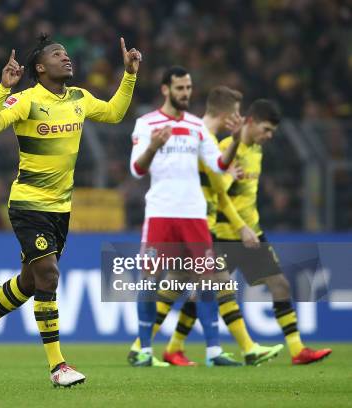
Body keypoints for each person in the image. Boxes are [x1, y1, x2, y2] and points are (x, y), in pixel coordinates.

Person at [0, 33, 142, 387]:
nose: (66, 58)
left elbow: (116, 113)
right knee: (50, 277)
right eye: (58, 54)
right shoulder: (26, 100)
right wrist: (2, 88)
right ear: (40, 68)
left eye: (67, 54)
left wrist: (129, 74)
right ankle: (58, 367)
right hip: (28, 203)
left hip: (61, 208)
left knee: (30, 281)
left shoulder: (79, 98)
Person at [127, 66, 242, 367]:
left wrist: (237, 140)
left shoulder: (196, 126)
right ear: (166, 89)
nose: (186, 93)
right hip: (161, 213)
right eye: (180, 88)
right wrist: (153, 146)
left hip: (193, 214)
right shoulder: (146, 124)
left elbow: (218, 164)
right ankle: (144, 351)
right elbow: (136, 170)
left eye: (189, 88)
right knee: (150, 281)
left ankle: (214, 352)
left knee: (206, 283)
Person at [161, 86, 283, 366]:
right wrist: (227, 176)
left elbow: (216, 189)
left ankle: (158, 347)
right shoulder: (202, 138)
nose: (239, 117)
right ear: (228, 113)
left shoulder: (209, 139)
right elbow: (214, 188)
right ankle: (245, 349)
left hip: (203, 224)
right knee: (214, 286)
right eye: (237, 112)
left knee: (186, 287)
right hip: (194, 223)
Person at [212, 99, 332, 365]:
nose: (268, 137)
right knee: (206, 292)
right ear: (251, 121)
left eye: (272, 133)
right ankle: (168, 346)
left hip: (251, 233)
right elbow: (217, 195)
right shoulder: (225, 149)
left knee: (280, 285)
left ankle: (297, 349)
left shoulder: (257, 151)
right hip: (222, 234)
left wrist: (248, 227)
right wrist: (239, 227)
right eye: (266, 130)